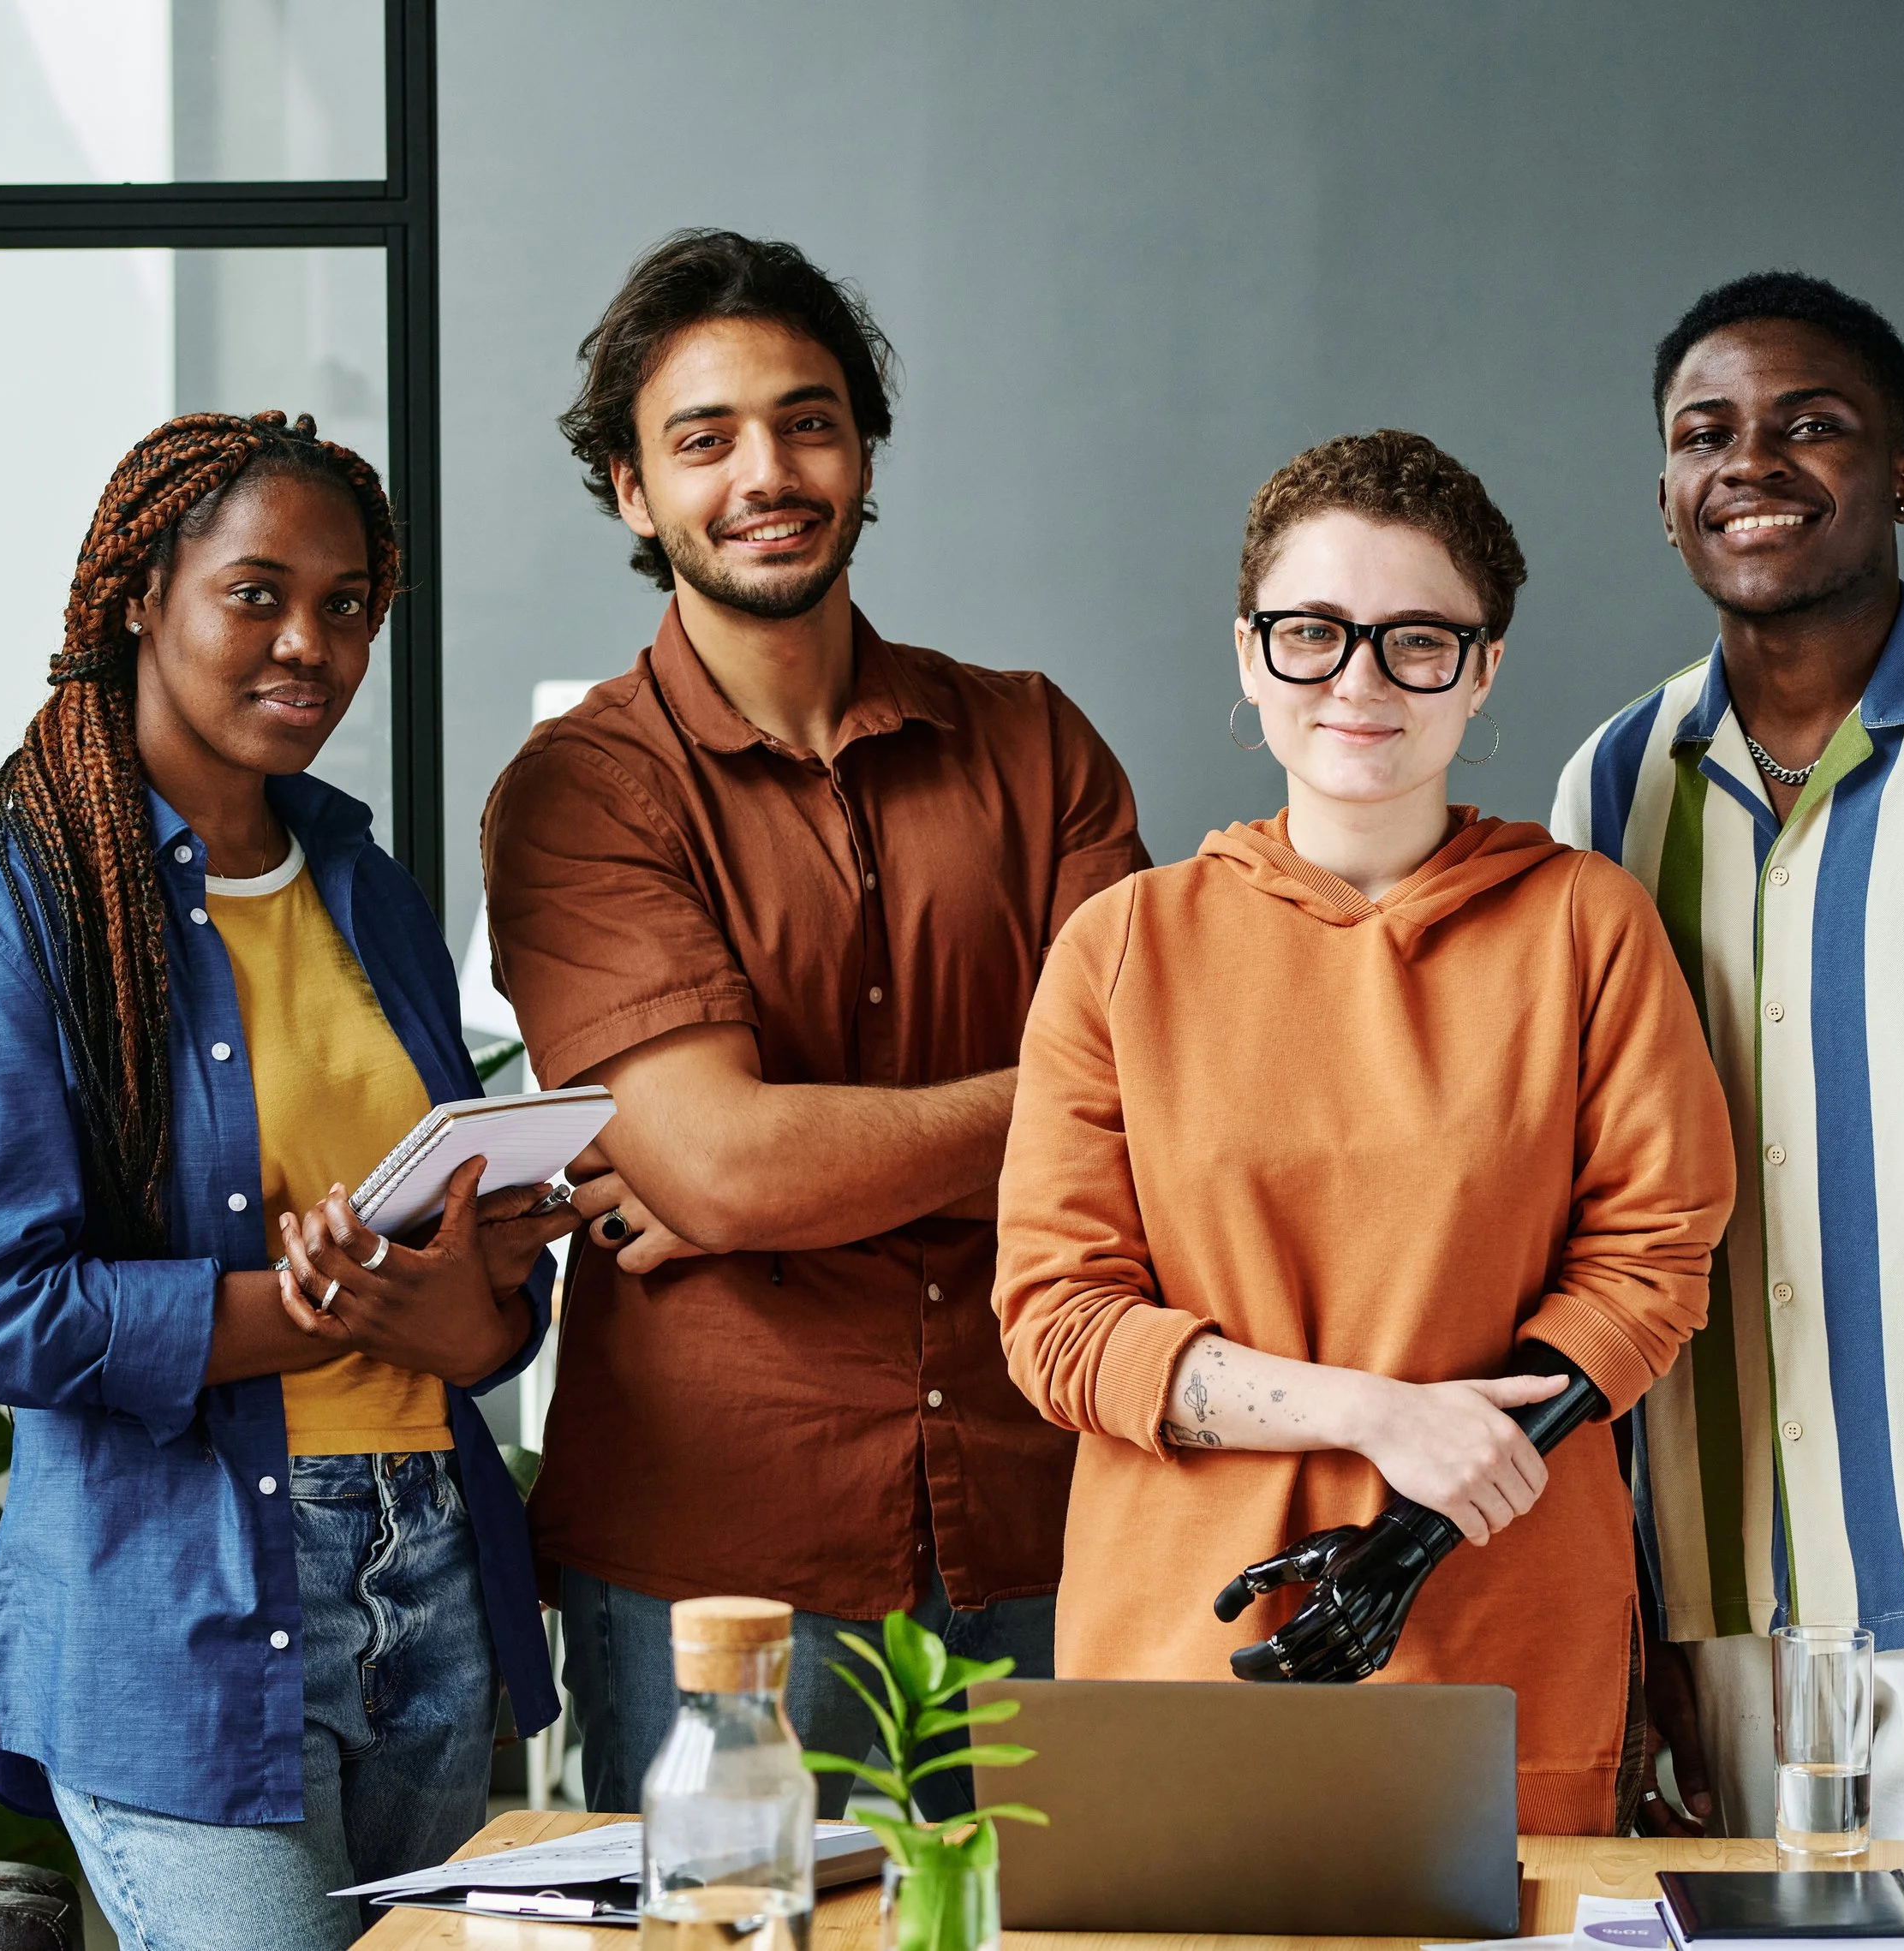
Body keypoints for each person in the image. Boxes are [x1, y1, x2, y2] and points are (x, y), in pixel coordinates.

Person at [480, 230, 1148, 1816]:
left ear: (861, 450)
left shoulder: (1036, 744)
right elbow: (722, 1168)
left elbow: (1158, 1118)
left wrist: (763, 1165)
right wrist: (1037, 1107)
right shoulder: (581, 792)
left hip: (1049, 1511)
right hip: (720, 1563)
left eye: (809, 420)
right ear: (636, 493)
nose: (765, 471)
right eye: (703, 438)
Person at [992, 429, 1734, 1834]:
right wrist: (1371, 1416)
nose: (1360, 682)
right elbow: (1057, 1323)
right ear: (1248, 652)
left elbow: (1652, 1259)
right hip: (1177, 1646)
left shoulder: (1587, 926)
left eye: (1417, 641)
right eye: (1315, 632)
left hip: (1500, 1640)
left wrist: (1423, 1528)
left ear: (1485, 667)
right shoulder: (1122, 948)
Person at [0, 412, 575, 1951]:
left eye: (350, 602)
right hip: (180, 1607)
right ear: (137, 597)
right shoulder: (26, 902)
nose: (312, 641)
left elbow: (472, 1285)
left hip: (429, 1563)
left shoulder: (363, 881)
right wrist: (306, 1316)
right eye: (258, 593)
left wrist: (479, 1307)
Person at [1554, 270, 1904, 1944]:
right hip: (1714, 1624)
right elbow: (1584, 1229)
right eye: (1702, 434)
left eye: (1810, 423)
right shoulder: (1607, 787)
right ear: (1661, 499)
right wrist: (1630, 1627)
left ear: (1903, 478)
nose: (1751, 463)